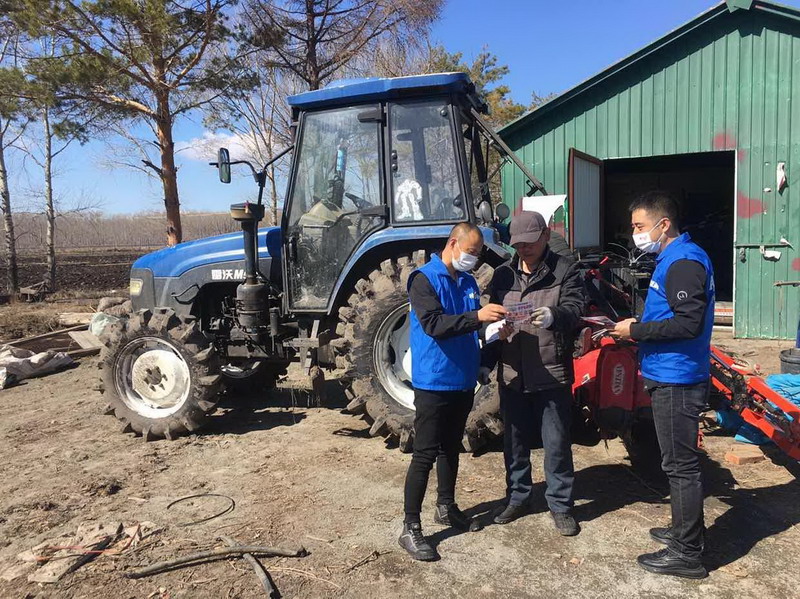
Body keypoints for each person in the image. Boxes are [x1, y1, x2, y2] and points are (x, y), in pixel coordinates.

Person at [611, 190, 715, 579]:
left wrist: (635, 330)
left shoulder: (684, 263)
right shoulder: (671, 258)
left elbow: (687, 323)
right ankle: (683, 532)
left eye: (639, 226)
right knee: (677, 463)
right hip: (668, 372)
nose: (635, 233)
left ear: (663, 224)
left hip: (678, 378)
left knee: (680, 466)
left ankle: (688, 554)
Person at [398, 222, 507, 562]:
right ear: (453, 244)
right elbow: (434, 325)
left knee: (451, 448)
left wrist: (491, 339)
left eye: (477, 254)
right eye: (470, 252)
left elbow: (470, 331)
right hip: (434, 381)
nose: (472, 259)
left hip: (462, 380)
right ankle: (410, 528)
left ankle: (446, 506)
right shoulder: (424, 279)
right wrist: (477, 317)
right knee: (425, 453)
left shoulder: (468, 281)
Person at [482, 211, 585, 536]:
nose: (523, 249)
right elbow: (489, 321)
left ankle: (560, 505)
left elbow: (576, 309)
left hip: (551, 372)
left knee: (556, 444)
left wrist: (555, 316)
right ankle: (518, 497)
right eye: (517, 244)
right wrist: (487, 356)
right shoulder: (502, 276)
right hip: (512, 372)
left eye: (529, 243)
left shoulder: (565, 270)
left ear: (544, 236)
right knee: (513, 443)